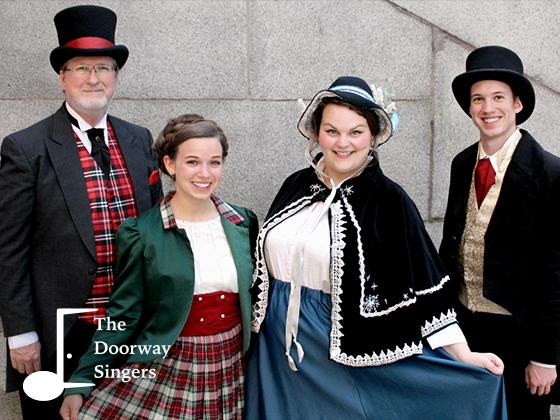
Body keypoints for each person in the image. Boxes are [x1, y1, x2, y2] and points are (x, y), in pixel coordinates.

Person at [246, 76, 507, 419]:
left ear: (372, 137)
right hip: (272, 342)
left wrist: (463, 354)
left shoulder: (389, 200)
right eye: (332, 131)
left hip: (333, 343)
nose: (343, 143)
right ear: (316, 133)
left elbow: (426, 284)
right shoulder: (296, 184)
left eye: (355, 132)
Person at [0, 5, 163, 419]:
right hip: (60, 332)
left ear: (116, 77)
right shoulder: (26, 147)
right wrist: (19, 332)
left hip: (130, 327)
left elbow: (158, 229)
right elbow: (8, 249)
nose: (94, 78)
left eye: (104, 68)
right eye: (81, 68)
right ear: (63, 78)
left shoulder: (139, 139)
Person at [59, 114, 258, 419]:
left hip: (231, 366)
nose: (205, 173)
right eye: (192, 162)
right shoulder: (142, 233)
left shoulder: (243, 222)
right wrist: (82, 379)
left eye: (214, 162)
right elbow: (123, 315)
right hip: (167, 363)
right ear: (169, 164)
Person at [439, 45, 560, 419]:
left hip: (520, 335)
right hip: (466, 329)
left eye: (497, 98)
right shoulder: (462, 164)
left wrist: (545, 356)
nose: (487, 108)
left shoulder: (550, 172)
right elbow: (452, 244)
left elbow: (556, 272)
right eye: (478, 99)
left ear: (517, 104)